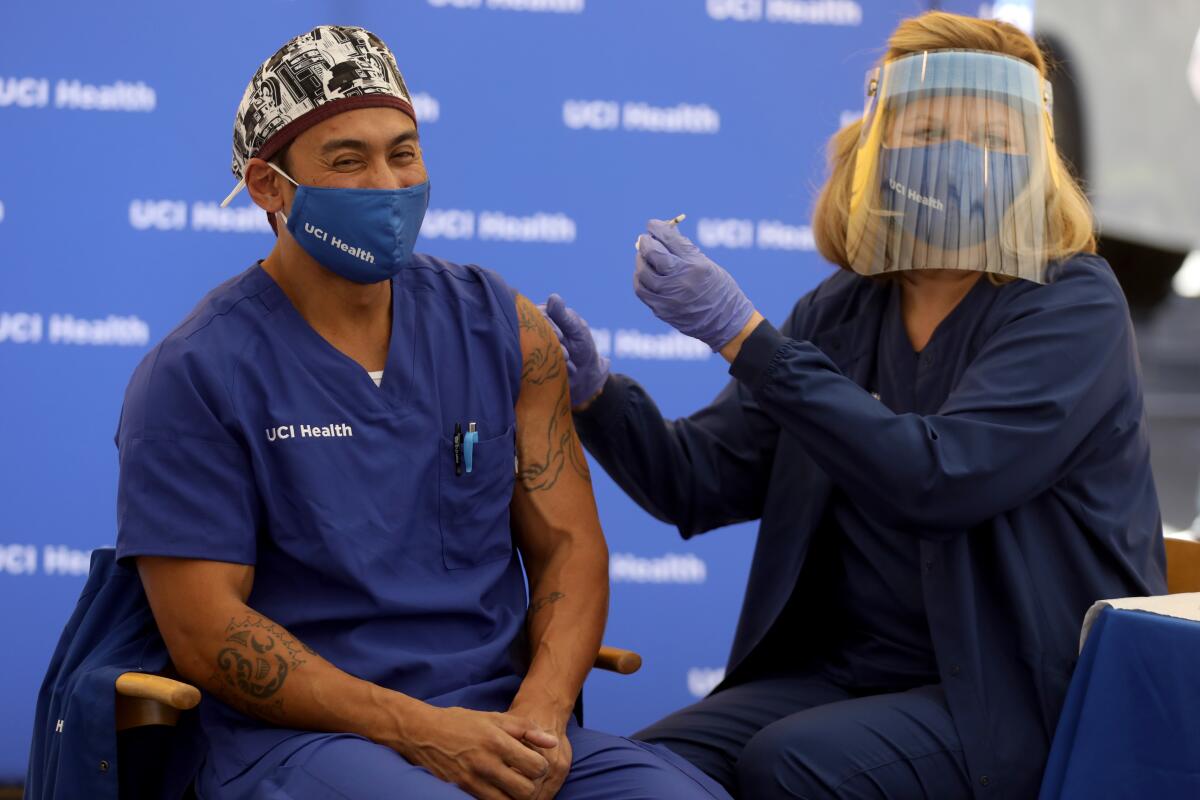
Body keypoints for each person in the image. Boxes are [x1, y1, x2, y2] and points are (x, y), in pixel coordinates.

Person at [542, 12, 1165, 800]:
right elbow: (696, 482)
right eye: (930, 131)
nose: (959, 161)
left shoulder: (1071, 305)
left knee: (790, 766)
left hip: (1009, 695)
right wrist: (596, 393)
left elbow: (941, 479)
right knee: (630, 773)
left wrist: (745, 338)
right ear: (876, 153)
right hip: (841, 678)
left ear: (1037, 165)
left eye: (995, 141)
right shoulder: (840, 311)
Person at [115, 25, 728, 800]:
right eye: (348, 160)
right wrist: (423, 732)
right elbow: (207, 633)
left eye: (402, 153)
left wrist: (540, 718)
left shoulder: (503, 326)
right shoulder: (197, 374)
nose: (387, 183)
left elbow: (571, 546)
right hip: (307, 744)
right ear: (270, 188)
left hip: (504, 722)